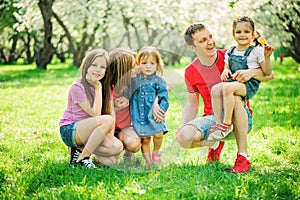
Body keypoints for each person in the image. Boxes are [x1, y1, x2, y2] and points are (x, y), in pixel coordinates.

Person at [176, 22, 274, 173]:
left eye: (210, 37)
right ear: (192, 47)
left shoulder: (232, 55)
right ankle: (213, 143)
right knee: (184, 137)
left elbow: (270, 75)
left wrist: (251, 72)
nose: (210, 42)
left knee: (234, 96)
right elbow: (192, 104)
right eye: (202, 40)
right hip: (213, 119)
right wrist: (183, 125)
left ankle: (243, 157)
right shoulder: (190, 71)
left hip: (239, 117)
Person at [208, 16, 273, 141]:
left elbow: (267, 72)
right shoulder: (230, 52)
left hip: (248, 85)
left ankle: (227, 124)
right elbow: (227, 67)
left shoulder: (257, 51)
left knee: (227, 88)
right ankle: (218, 123)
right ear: (233, 34)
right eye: (238, 32)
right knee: (215, 89)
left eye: (246, 32)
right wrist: (225, 71)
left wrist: (267, 57)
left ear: (253, 35)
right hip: (234, 82)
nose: (242, 35)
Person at [59, 48, 123, 168]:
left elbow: (111, 114)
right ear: (86, 66)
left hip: (90, 131)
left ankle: (79, 151)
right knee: (107, 119)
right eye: (94, 65)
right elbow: (96, 113)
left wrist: (109, 137)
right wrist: (97, 87)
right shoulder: (77, 87)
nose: (98, 70)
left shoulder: (105, 88)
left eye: (102, 67)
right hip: (70, 130)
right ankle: (84, 157)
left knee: (116, 148)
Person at [123, 46, 169, 166]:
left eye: (152, 63)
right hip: (139, 115)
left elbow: (164, 98)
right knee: (146, 138)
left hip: (154, 115)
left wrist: (161, 111)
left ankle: (156, 152)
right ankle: (148, 161)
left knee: (158, 134)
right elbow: (127, 92)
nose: (148, 66)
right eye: (144, 63)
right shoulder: (134, 80)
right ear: (138, 64)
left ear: (157, 65)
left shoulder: (159, 81)